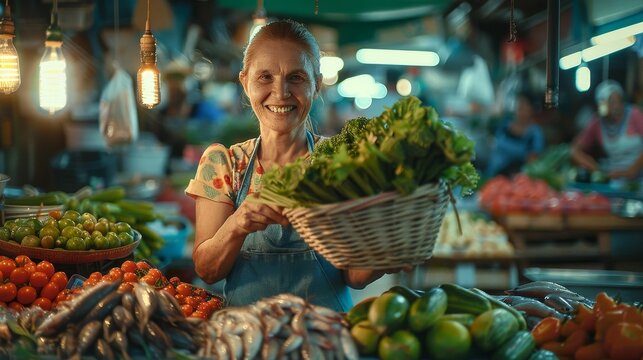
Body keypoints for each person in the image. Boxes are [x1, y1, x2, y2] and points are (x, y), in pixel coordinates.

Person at [184, 20, 393, 312]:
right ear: (245, 82)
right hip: (246, 342)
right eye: (265, 77)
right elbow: (207, 270)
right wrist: (238, 223)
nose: (280, 92)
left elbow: (354, 276)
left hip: (325, 340)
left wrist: (386, 252)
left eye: (296, 78)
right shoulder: (224, 164)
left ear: (316, 84)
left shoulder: (342, 162)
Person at [571, 80, 643, 180]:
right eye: (611, 102)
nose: (616, 106)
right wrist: (592, 166)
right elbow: (575, 150)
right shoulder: (596, 122)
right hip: (614, 178)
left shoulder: (634, 114)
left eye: (618, 101)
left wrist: (631, 171)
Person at [485, 91, 545, 177]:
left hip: (515, 181)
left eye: (524, 106)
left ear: (531, 109)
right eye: (518, 105)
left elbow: (532, 160)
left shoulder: (534, 133)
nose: (519, 108)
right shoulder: (504, 125)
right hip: (492, 175)